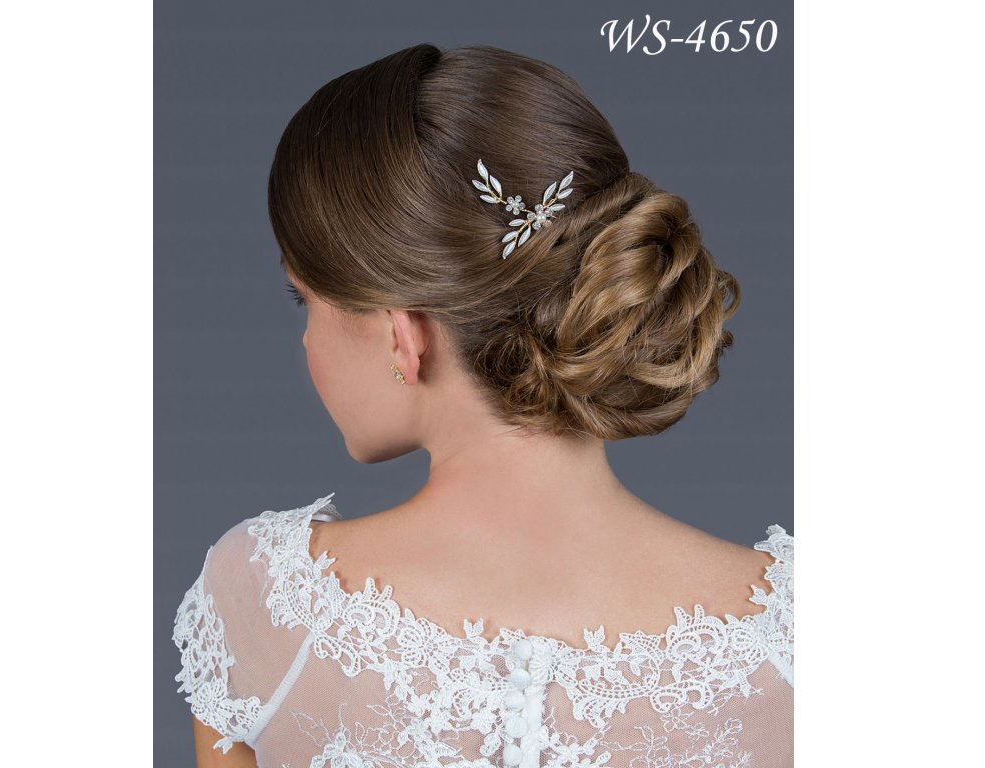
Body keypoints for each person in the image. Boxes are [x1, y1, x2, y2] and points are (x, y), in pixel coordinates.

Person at [172, 42, 794, 768]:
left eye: (302, 298)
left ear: (402, 336)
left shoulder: (262, 603)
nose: (306, 338)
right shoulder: (797, 639)